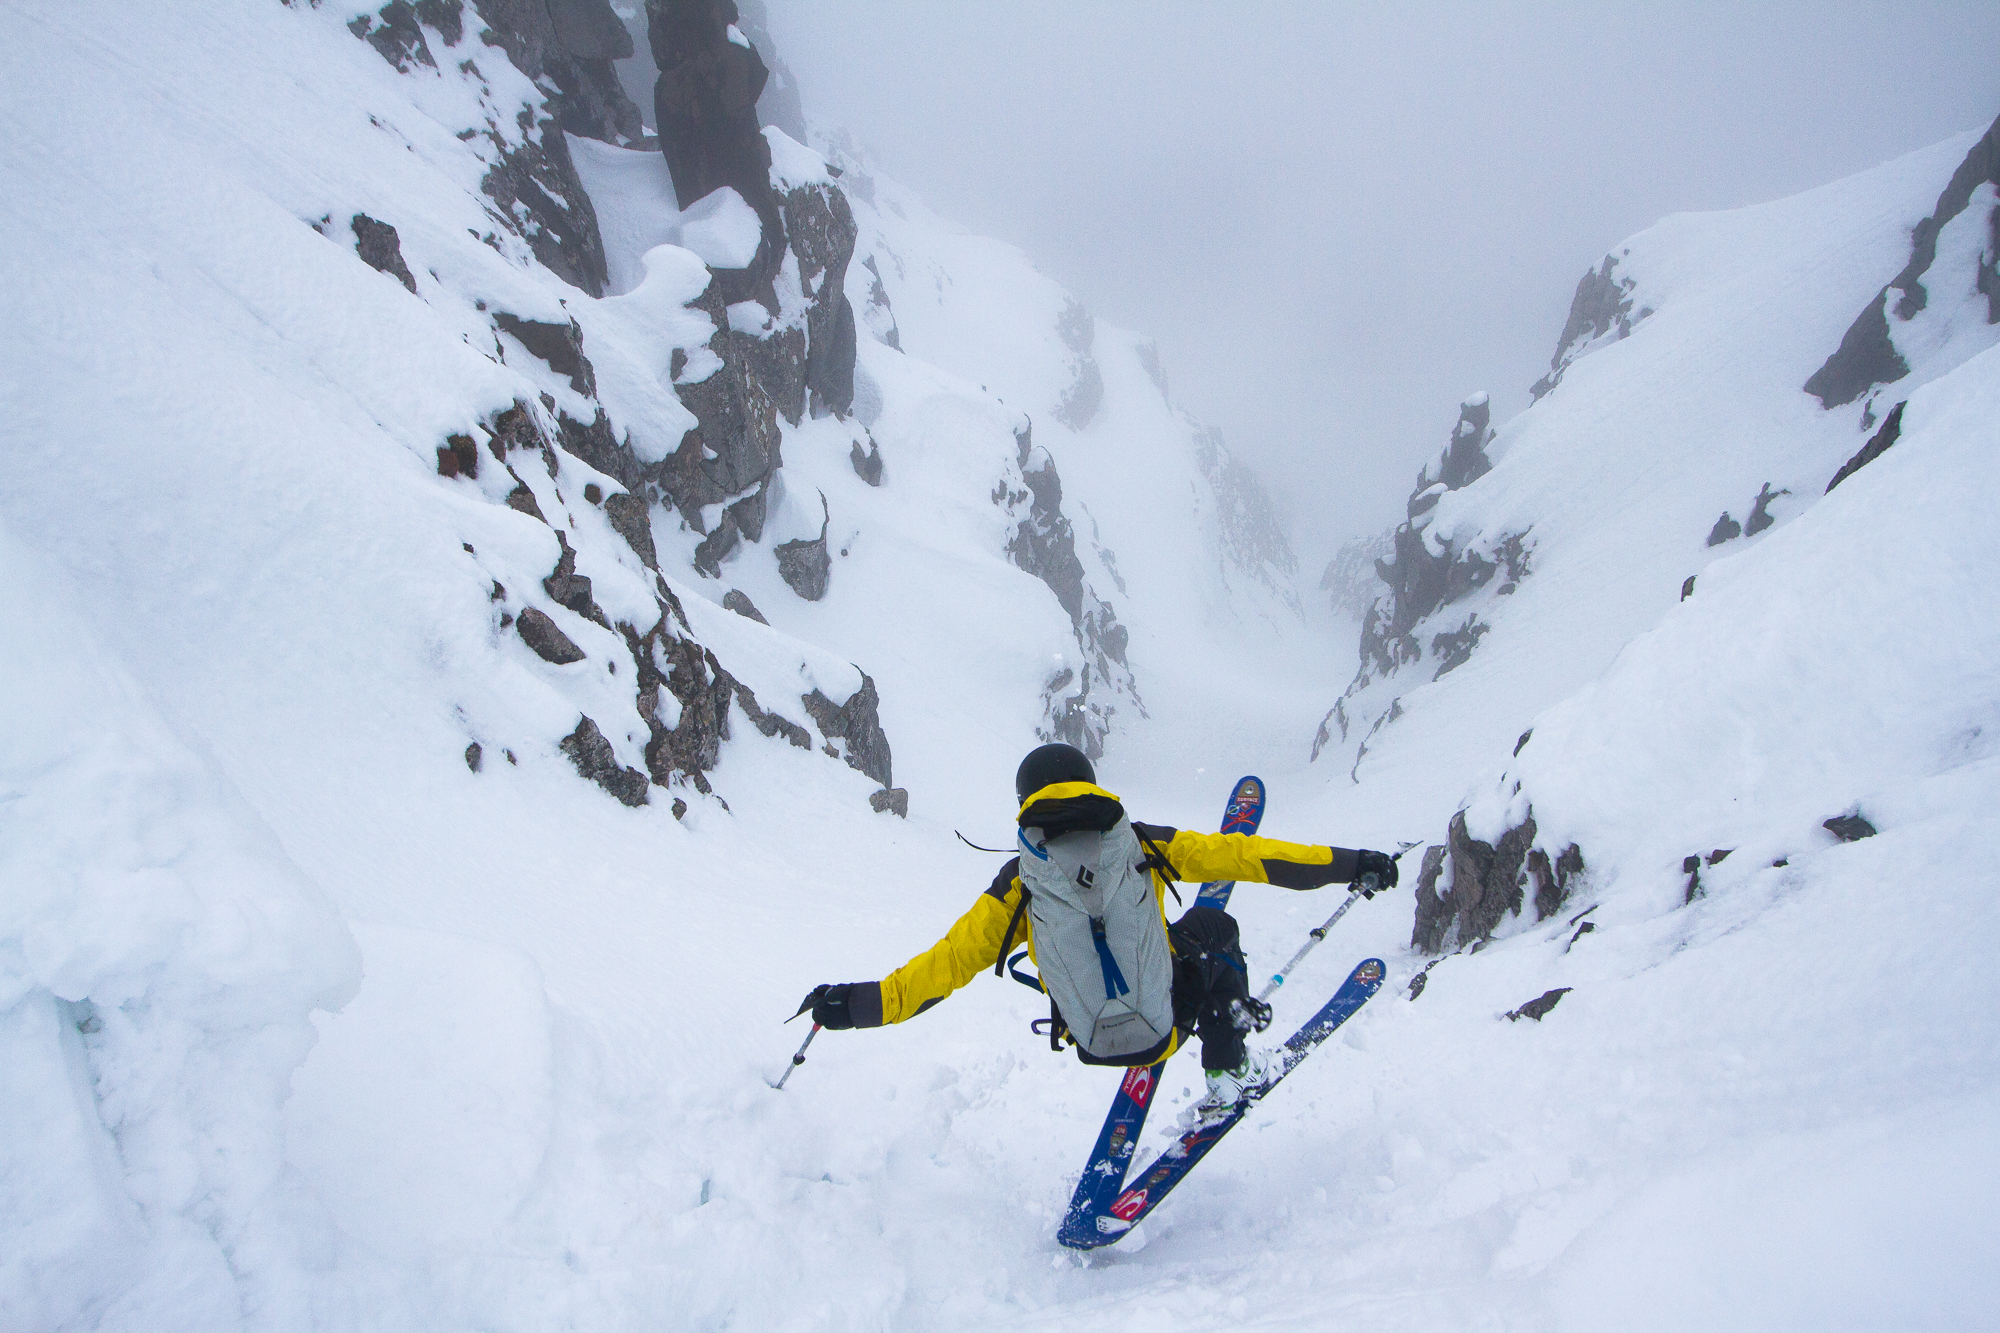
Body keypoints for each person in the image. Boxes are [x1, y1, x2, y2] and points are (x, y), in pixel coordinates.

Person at [798, 743, 1399, 1118]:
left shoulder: (1020, 884)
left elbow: (945, 965)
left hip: (1088, 1041)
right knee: (1217, 926)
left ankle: (1158, 1025)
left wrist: (855, 1005)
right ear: (1089, 783)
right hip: (1169, 1019)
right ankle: (1228, 1066)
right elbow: (1250, 857)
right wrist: (1352, 864)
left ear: (1026, 801)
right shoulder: (1140, 843)